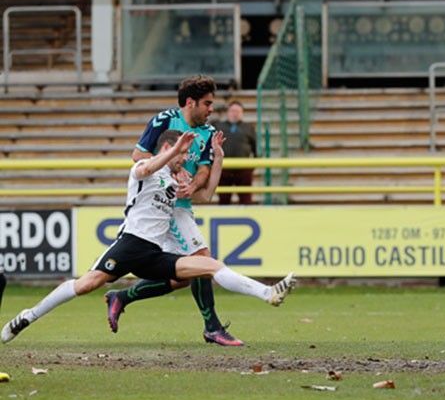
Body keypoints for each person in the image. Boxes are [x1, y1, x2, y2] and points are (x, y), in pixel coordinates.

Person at [1, 130, 296, 344]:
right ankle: (28, 315)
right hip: (130, 244)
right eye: (181, 153)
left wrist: (217, 158)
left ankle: (268, 293)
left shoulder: (175, 179)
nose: (184, 160)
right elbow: (150, 165)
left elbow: (206, 194)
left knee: (210, 267)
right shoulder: (143, 169)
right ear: (168, 147)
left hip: (154, 254)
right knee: (87, 284)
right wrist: (172, 152)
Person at [105, 75, 245, 346]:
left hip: (182, 204)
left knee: (183, 277)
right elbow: (138, 156)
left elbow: (203, 169)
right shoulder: (164, 120)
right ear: (190, 102)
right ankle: (212, 327)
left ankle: (122, 297)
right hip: (162, 206)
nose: (211, 109)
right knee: (202, 260)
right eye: (207, 103)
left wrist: (194, 184)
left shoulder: (206, 132)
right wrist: (176, 168)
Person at [213, 100, 257, 205]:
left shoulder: (249, 127)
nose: (235, 113)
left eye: (238, 111)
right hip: (223, 168)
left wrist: (253, 165)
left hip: (243, 169)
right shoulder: (218, 126)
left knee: (246, 198)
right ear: (227, 112)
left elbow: (256, 147)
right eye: (233, 111)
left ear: (242, 113)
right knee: (224, 199)